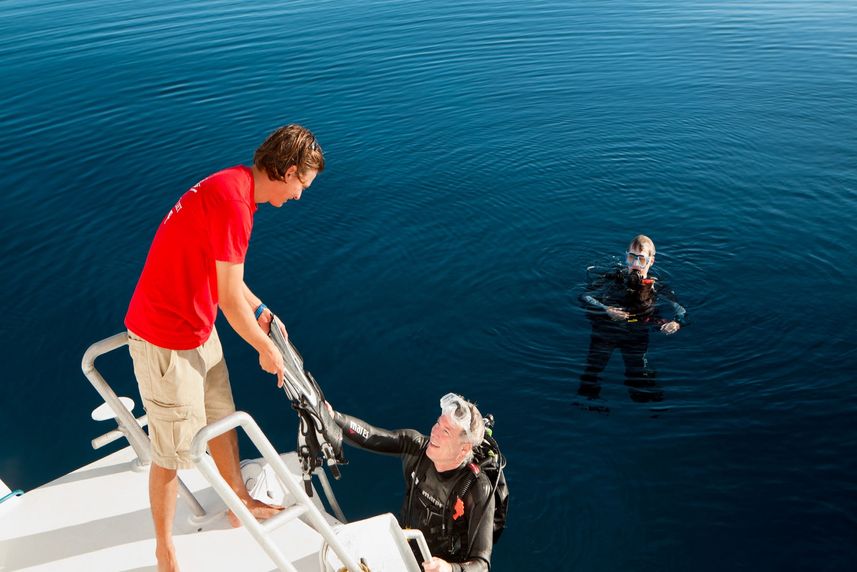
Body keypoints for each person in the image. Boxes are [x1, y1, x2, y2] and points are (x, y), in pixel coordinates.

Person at [124, 124, 324, 571]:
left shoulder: (234, 186)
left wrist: (260, 310)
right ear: (288, 172)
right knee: (172, 453)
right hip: (165, 340)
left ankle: (239, 501)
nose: (299, 197)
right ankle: (164, 550)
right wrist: (264, 348)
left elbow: (229, 283)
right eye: (302, 186)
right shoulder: (234, 203)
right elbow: (229, 301)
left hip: (197, 327)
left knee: (220, 416)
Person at [327, 394, 495, 572]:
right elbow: (371, 435)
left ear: (464, 449)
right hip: (404, 546)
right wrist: (334, 418)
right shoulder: (417, 448)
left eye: (445, 432)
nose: (434, 432)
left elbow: (481, 564)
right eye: (438, 423)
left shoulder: (476, 488)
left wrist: (449, 568)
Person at [578, 234, 687, 402]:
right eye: (631, 258)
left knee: (636, 375)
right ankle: (587, 401)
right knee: (592, 372)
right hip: (606, 330)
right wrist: (606, 309)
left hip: (636, 334)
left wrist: (677, 323)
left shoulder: (657, 287)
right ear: (626, 256)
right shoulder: (615, 278)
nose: (635, 265)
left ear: (651, 261)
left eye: (641, 260)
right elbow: (585, 296)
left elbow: (681, 310)